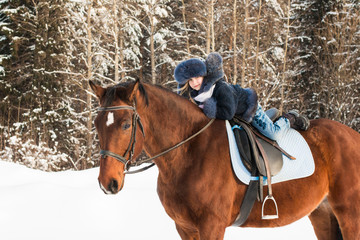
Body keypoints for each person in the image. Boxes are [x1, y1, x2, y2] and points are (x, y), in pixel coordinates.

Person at [174, 52, 309, 141]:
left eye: (197, 77)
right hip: (234, 117)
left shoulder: (221, 88)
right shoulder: (196, 96)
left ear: (204, 75)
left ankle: (289, 118)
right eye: (190, 80)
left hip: (248, 108)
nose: (194, 83)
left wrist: (209, 110)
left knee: (273, 134)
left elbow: (227, 112)